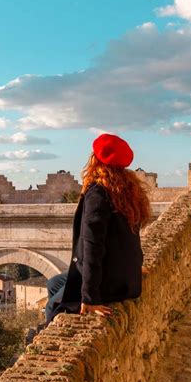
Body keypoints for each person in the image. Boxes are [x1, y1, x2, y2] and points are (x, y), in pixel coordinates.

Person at [45, 133, 151, 325]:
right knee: (54, 283)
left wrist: (90, 297)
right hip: (125, 277)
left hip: (108, 283)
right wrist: (133, 268)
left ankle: (43, 334)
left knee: (53, 305)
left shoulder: (99, 192)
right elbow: (132, 236)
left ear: (95, 160)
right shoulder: (128, 190)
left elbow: (93, 245)